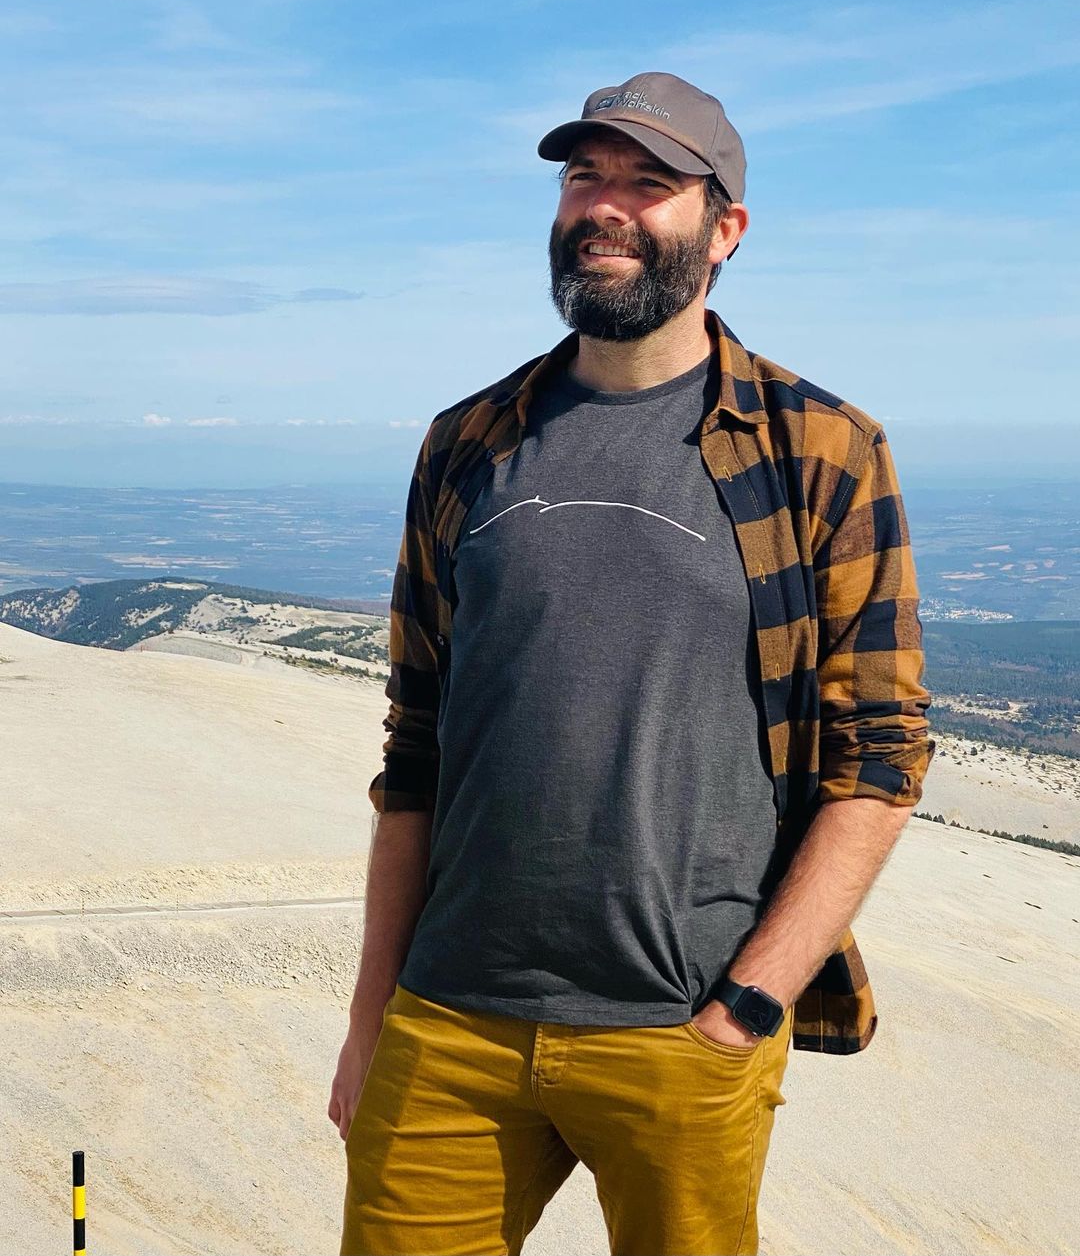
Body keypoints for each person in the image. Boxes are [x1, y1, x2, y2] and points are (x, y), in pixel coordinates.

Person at [329, 70, 936, 1256]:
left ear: (725, 229)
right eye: (582, 177)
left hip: (680, 1032)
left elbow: (880, 758)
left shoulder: (824, 449)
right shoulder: (467, 443)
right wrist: (373, 1016)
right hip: (448, 1024)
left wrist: (748, 1004)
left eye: (648, 185)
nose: (603, 206)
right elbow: (415, 747)